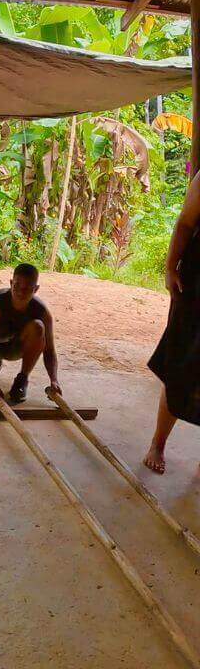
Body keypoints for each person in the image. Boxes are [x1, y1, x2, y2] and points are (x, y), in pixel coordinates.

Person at [143, 172, 200, 474]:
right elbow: (185, 223)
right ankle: (158, 443)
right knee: (179, 364)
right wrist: (169, 268)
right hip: (196, 286)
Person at [0, 263, 61, 406]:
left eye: (27, 289)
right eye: (17, 286)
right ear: (11, 283)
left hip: (17, 345)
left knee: (38, 327)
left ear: (36, 289)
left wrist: (54, 380)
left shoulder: (42, 312)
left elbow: (49, 350)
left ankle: (22, 379)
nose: (21, 293)